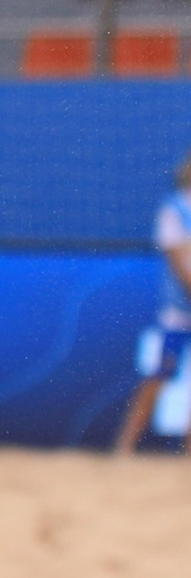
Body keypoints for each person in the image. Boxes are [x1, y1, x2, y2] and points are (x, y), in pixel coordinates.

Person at [112, 149, 191, 456]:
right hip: (178, 312)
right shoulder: (174, 209)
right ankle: (125, 446)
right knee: (159, 375)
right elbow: (179, 264)